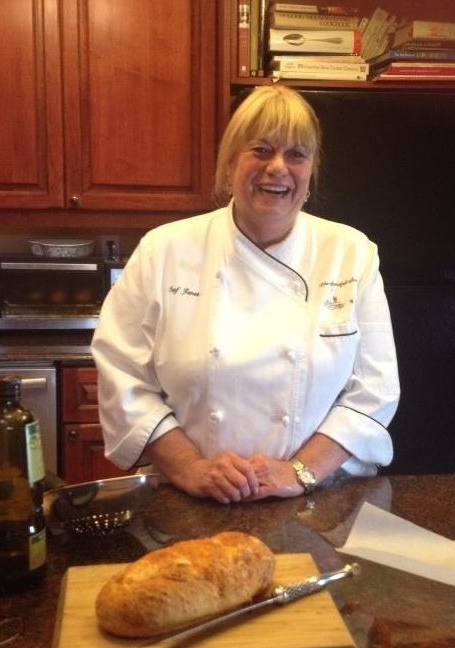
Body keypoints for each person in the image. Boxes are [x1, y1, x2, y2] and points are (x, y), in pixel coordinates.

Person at [92, 85, 400, 504]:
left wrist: (299, 471)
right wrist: (193, 469)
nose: (278, 168)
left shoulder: (351, 253)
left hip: (323, 498)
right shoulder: (164, 250)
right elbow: (122, 376)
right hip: (193, 497)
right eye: (261, 150)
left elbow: (375, 389)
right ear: (230, 163)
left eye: (296, 155)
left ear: (311, 171)